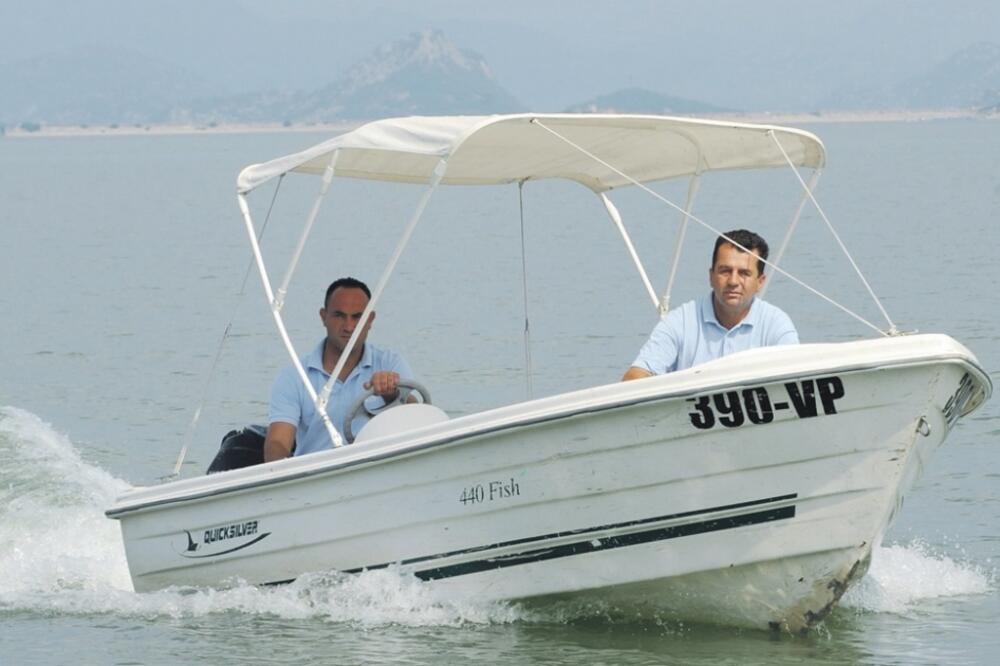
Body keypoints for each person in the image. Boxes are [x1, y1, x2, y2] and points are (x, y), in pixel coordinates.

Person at [264, 277, 413, 460]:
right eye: (339, 316)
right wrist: (277, 468)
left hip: (378, 466)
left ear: (370, 320)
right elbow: (277, 442)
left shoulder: (390, 363)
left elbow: (419, 420)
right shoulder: (294, 376)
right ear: (323, 317)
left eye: (357, 317)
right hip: (317, 472)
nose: (349, 327)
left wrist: (392, 394)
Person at [623, 229, 798, 380]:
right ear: (711, 276)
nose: (733, 281)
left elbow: (796, 377)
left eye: (744, 273)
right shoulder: (681, 321)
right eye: (725, 271)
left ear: (760, 282)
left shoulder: (777, 325)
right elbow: (634, 377)